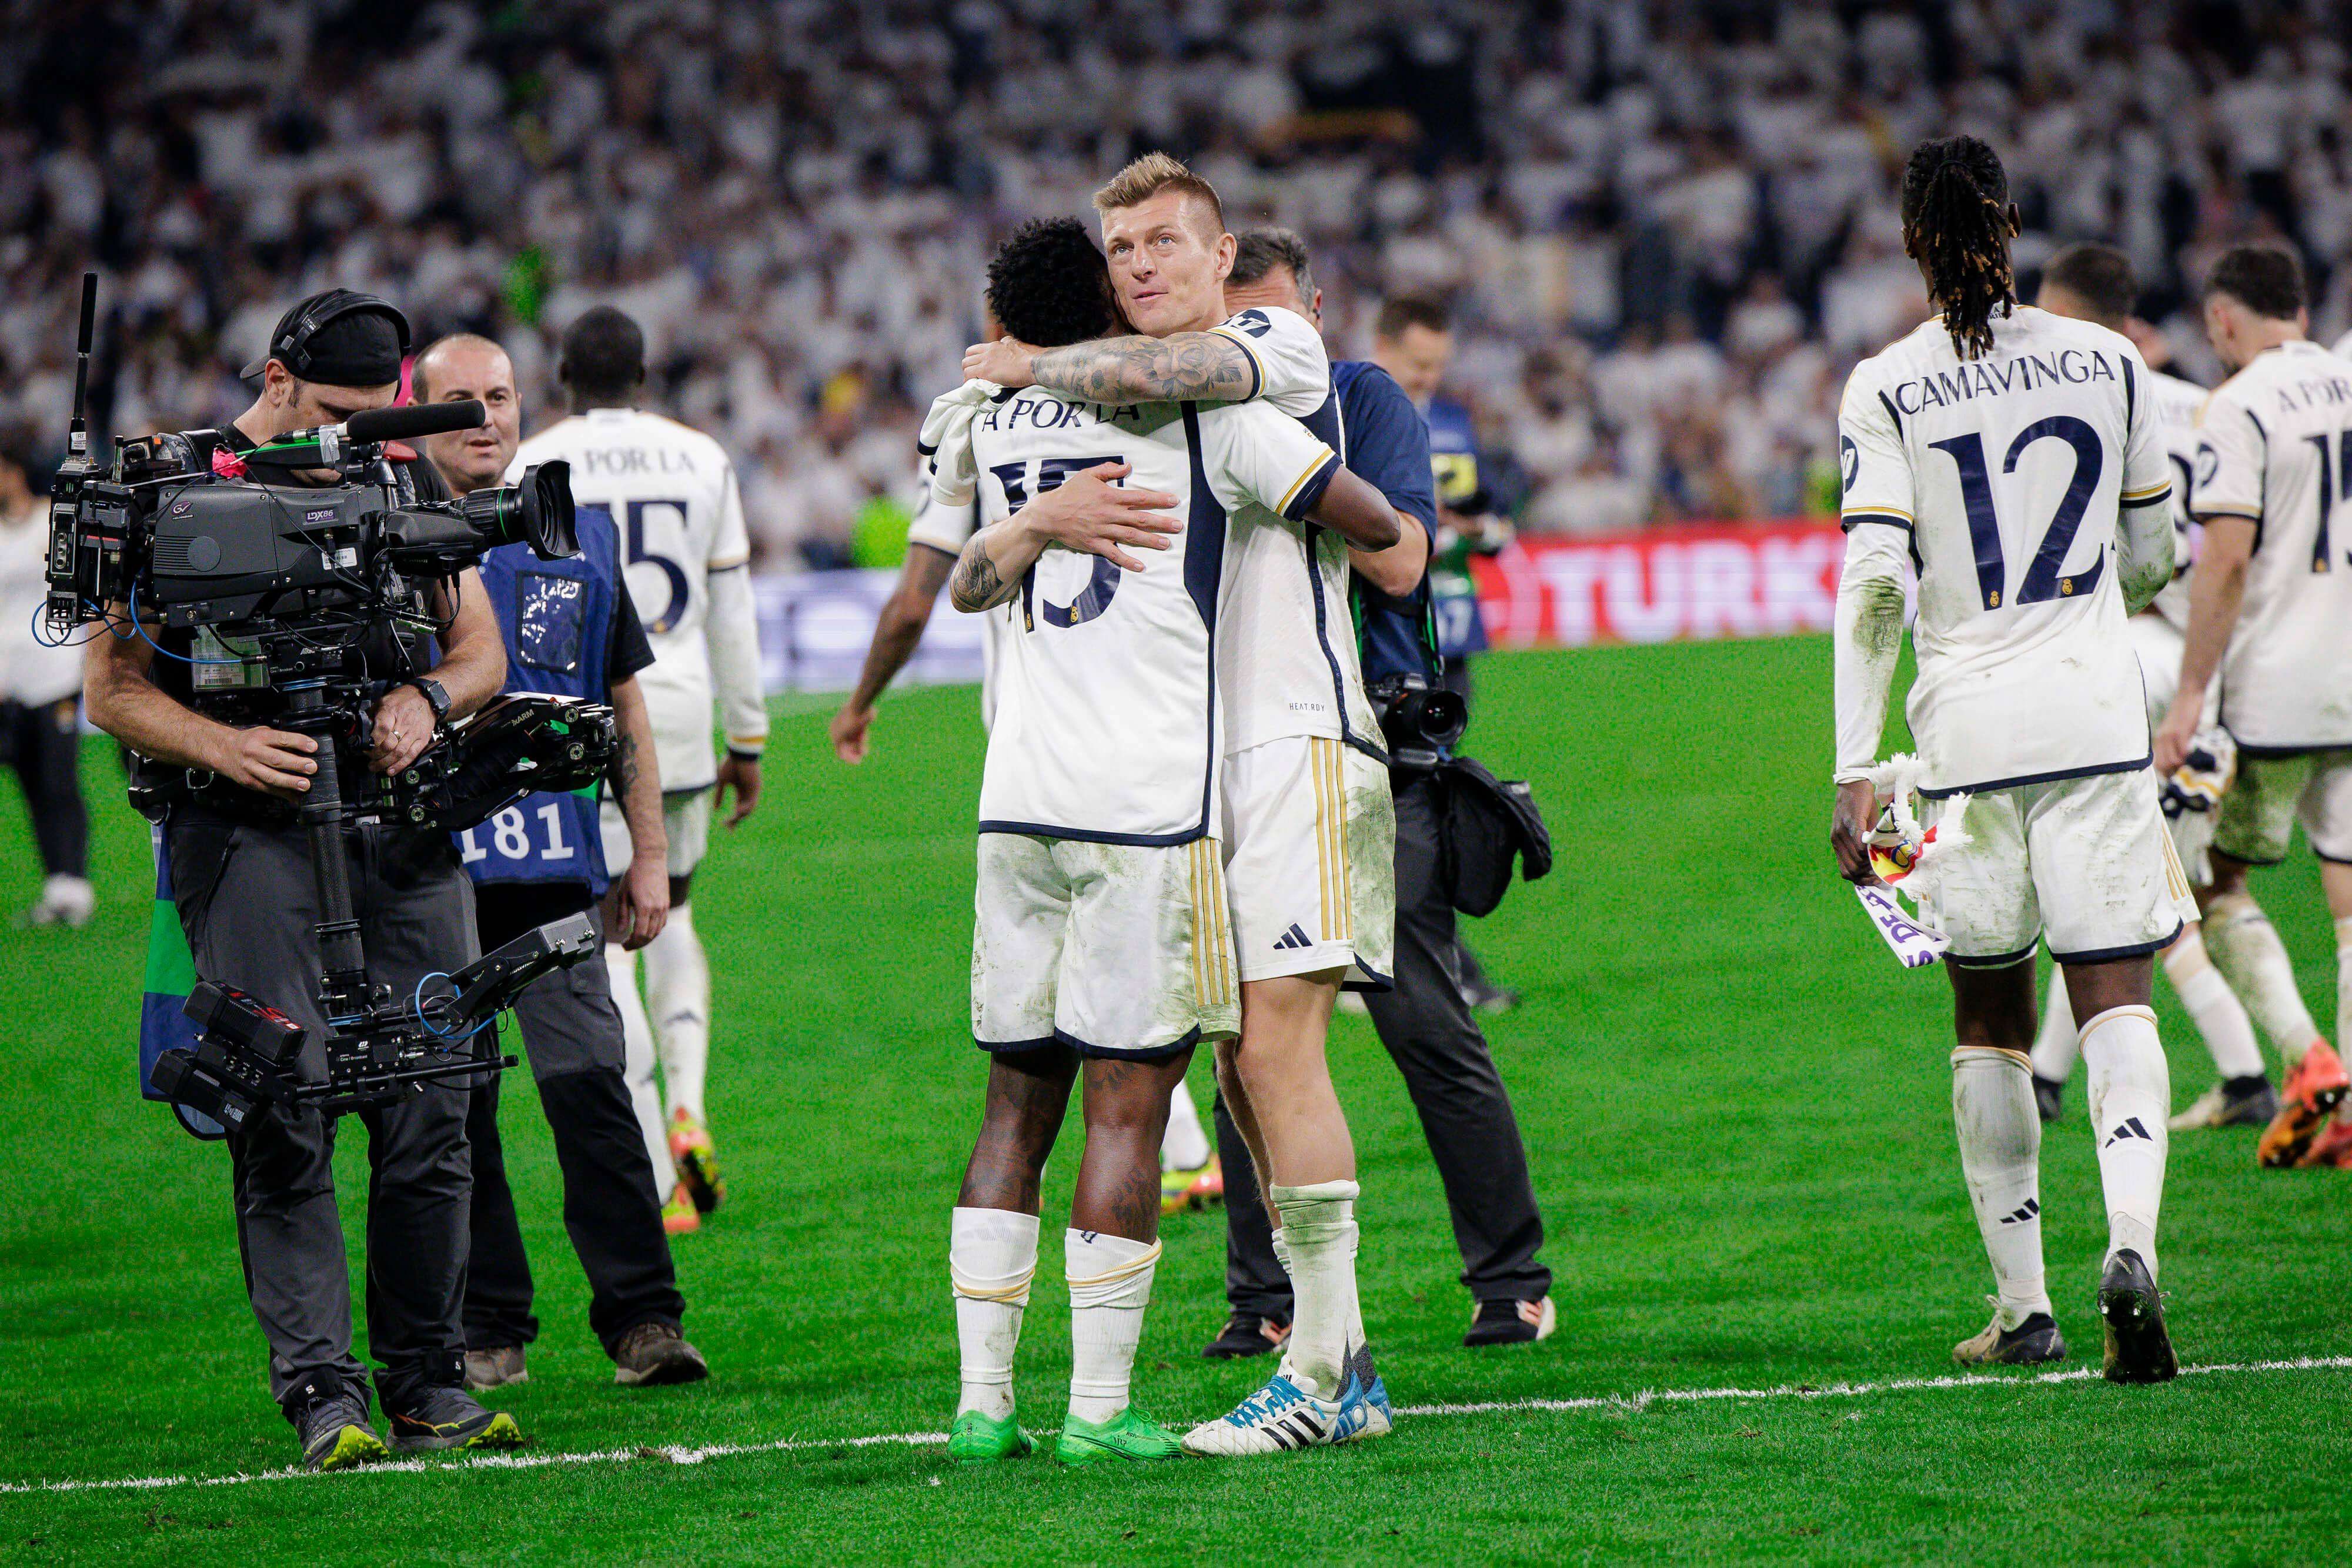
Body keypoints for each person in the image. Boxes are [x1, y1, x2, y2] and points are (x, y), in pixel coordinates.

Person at [936, 214, 1399, 1466]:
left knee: (1132, 1082)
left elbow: (960, 583)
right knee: (1174, 1089)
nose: (1142, 269)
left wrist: (1025, 484)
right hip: (1158, 797)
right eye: (1123, 252)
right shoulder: (1191, 417)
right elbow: (1384, 538)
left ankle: (1001, 1404)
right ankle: (1143, 1401)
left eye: (1163, 246)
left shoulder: (1011, 414)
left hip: (1089, 785)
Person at [82, 290, 522, 1467]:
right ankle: (325, 1391)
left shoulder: (405, 476)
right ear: (274, 377)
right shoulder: (171, 483)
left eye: (376, 418)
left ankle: (428, 1377)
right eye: (334, 413)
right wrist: (223, 743)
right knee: (283, 1103)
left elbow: (480, 645)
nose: (352, 441)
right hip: (247, 834)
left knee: (435, 1097)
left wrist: (424, 696)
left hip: (402, 829)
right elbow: (109, 689)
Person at [1830, 138, 2191, 1383]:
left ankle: (2022, 1302)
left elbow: (1874, 583)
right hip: (2094, 716)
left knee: (1987, 1008)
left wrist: (1846, 766)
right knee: (2114, 994)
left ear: (1904, 242)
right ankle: (2130, 1244)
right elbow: (2151, 557)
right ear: (2015, 222)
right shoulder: (2108, 360)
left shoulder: (1884, 382)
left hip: (1966, 737)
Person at [1205, 230, 1556, 1355]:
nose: (1255, 343)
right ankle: (1261, 1303)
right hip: (1251, 757)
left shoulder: (1363, 399)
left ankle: (1513, 1278)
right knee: (1250, 1032)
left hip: (1376, 752)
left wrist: (1286, 477)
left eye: (1272, 319)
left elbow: (1403, 557)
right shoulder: (1201, 416)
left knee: (1421, 1020)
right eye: (1236, 325)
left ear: (1313, 309)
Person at [411, 334, 709, 1390]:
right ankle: (492, 1325)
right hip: (427, 874)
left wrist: (649, 852)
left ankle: (644, 1320)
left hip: (554, 873)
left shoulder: (573, 526)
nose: (483, 418)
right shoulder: (387, 533)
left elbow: (622, 697)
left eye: (498, 398)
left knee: (592, 1089)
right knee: (459, 1108)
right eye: (458, 402)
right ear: (418, 412)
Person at [510, 307, 768, 1234]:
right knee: (677, 906)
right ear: (645, 375)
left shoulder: (528, 462)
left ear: (564, 374)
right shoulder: (700, 455)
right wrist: (749, 737)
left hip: (577, 716)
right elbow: (732, 609)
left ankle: (660, 1155)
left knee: (605, 929)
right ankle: (691, 1096)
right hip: (687, 710)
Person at [2023, 245, 2277, 1134]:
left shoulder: (2071, 396)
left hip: (2132, 661)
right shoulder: (2202, 404)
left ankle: (2259, 1068)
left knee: (2125, 885)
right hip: (2208, 662)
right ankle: (2049, 1075)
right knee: (2115, 876)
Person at [2153, 245, 2352, 1171]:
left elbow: (2224, 559)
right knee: (2348, 901)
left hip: (2279, 685)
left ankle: (2310, 1061)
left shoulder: (2235, 405)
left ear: (2225, 320)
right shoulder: (2346, 378)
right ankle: (2347, 1112)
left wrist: (2191, 694)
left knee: (2211, 884)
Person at [1372, 297, 1516, 1015]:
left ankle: (1399, 963)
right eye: (1416, 363)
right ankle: (1441, 968)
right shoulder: (1360, 415)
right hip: (1393, 635)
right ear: (1383, 347)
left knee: (1425, 801)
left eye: (1436, 365)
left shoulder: (1452, 421)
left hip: (1453, 629)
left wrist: (1471, 531)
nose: (1427, 378)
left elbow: (1498, 522)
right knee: (1414, 807)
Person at [0, 423, 92, 927]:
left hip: (55, 669)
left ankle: (75, 885)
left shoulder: (48, 524)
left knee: (60, 778)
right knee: (30, 781)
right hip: (12, 678)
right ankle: (56, 883)